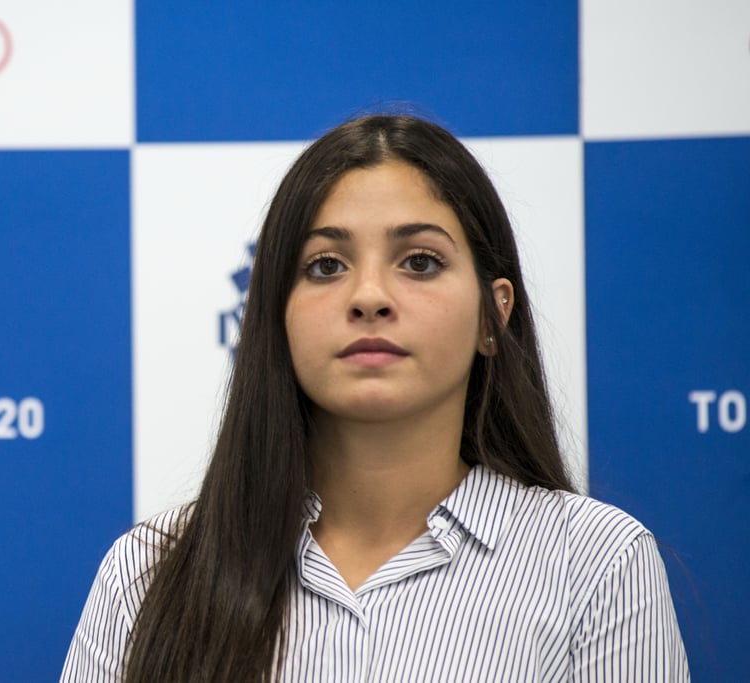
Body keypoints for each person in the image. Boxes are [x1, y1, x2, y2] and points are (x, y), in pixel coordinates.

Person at [61, 114, 690, 681]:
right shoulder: (147, 574)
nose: (368, 296)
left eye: (419, 262)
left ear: (491, 318)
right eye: (325, 266)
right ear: (274, 317)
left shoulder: (597, 565)